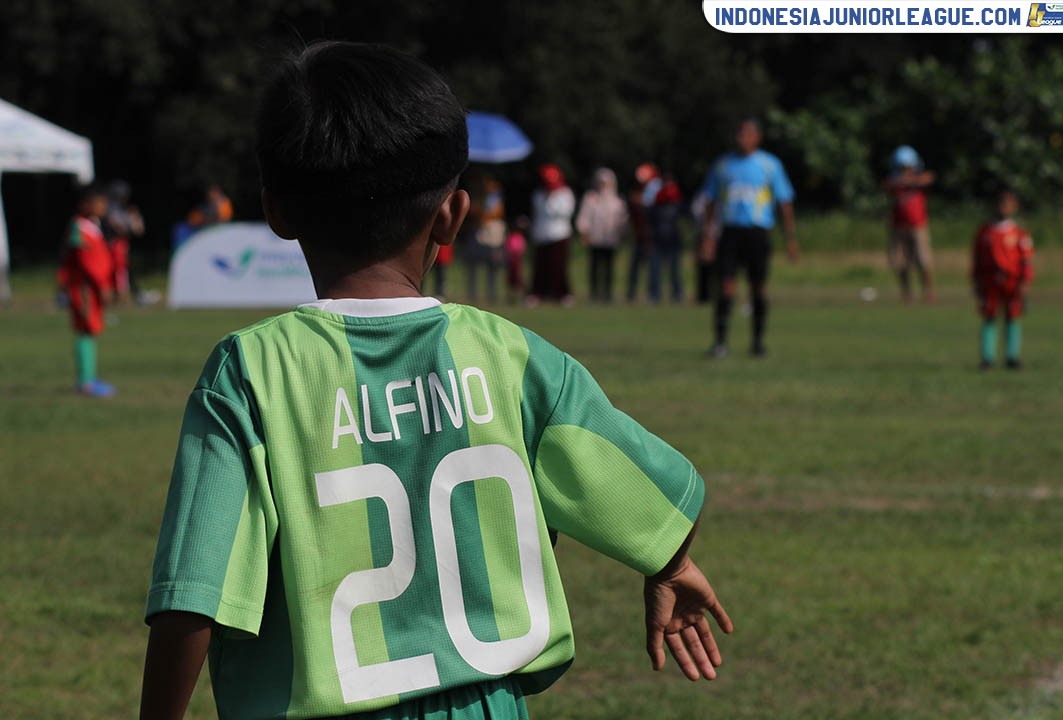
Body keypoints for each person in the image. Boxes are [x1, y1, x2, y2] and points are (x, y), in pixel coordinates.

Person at [140, 42, 732, 720]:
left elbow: (194, 595)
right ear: (452, 216)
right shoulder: (513, 356)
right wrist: (670, 566)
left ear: (276, 211)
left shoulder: (250, 374)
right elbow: (649, 496)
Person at [701, 118, 798, 358]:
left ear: (757, 137)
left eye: (747, 134)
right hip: (730, 232)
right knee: (726, 287)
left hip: (757, 232)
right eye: (739, 133)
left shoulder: (769, 165)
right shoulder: (723, 165)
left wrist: (790, 238)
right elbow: (711, 201)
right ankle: (720, 343)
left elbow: (784, 202)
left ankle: (757, 343)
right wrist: (708, 236)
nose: (741, 138)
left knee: (758, 288)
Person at [57, 184, 116, 397]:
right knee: (85, 329)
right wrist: (102, 284)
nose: (103, 207)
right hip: (84, 289)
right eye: (99, 203)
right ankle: (85, 381)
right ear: (86, 204)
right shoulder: (80, 227)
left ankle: (89, 377)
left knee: (90, 330)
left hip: (91, 287)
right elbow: (87, 261)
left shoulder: (92, 225)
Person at [972, 188, 1034, 370]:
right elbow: (976, 259)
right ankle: (987, 357)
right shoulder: (985, 231)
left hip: (1012, 281)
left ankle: (1012, 357)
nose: (1004, 208)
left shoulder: (1019, 232)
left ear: (1014, 207)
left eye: (1008, 205)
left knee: (1013, 316)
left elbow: (1026, 260)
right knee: (989, 316)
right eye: (1001, 204)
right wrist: (976, 281)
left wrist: (1025, 281)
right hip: (990, 281)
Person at [883, 145, 936, 304]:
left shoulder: (919, 179)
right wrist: (902, 181)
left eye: (907, 166)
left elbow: (930, 178)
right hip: (898, 227)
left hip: (918, 226)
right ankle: (906, 293)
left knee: (923, 261)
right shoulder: (894, 181)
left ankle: (928, 292)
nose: (905, 169)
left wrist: (910, 181)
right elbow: (887, 185)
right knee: (900, 262)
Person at [575, 167, 627, 303]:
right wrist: (584, 232)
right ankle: (594, 293)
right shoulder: (590, 198)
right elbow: (584, 217)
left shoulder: (617, 201)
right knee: (594, 267)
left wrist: (621, 234)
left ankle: (607, 293)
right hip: (595, 239)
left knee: (609, 267)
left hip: (610, 239)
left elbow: (622, 220)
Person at [527, 163, 576, 306]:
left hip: (559, 234)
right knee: (540, 266)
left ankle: (562, 294)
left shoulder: (565, 193)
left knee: (558, 266)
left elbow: (564, 212)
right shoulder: (538, 194)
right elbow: (538, 213)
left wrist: (551, 199)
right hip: (542, 235)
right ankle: (538, 293)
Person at [103, 179, 146, 304]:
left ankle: (124, 296)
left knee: (122, 270)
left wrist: (134, 218)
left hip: (121, 245)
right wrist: (130, 224)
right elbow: (119, 227)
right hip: (111, 244)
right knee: (113, 271)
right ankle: (119, 297)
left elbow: (139, 229)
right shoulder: (110, 209)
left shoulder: (127, 210)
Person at [466, 175, 506, 303]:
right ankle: (472, 293)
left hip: (492, 236)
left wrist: (483, 215)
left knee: (492, 266)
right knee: (473, 265)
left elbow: (496, 213)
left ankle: (492, 294)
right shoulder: (478, 198)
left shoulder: (496, 200)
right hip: (479, 234)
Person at [646, 172, 685, 304]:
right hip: (658, 239)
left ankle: (677, 293)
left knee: (675, 269)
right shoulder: (657, 202)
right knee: (655, 269)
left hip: (673, 239)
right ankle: (654, 294)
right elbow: (650, 222)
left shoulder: (678, 202)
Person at [626, 163, 657, 302]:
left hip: (652, 236)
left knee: (652, 266)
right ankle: (631, 293)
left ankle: (653, 294)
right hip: (639, 236)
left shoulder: (656, 190)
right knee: (635, 266)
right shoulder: (637, 193)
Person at [505, 215, 528, 302]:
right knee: (511, 280)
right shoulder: (512, 236)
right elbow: (508, 248)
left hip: (517, 261)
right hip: (511, 261)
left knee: (519, 279)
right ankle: (512, 297)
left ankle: (521, 296)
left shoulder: (520, 237)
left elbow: (522, 249)